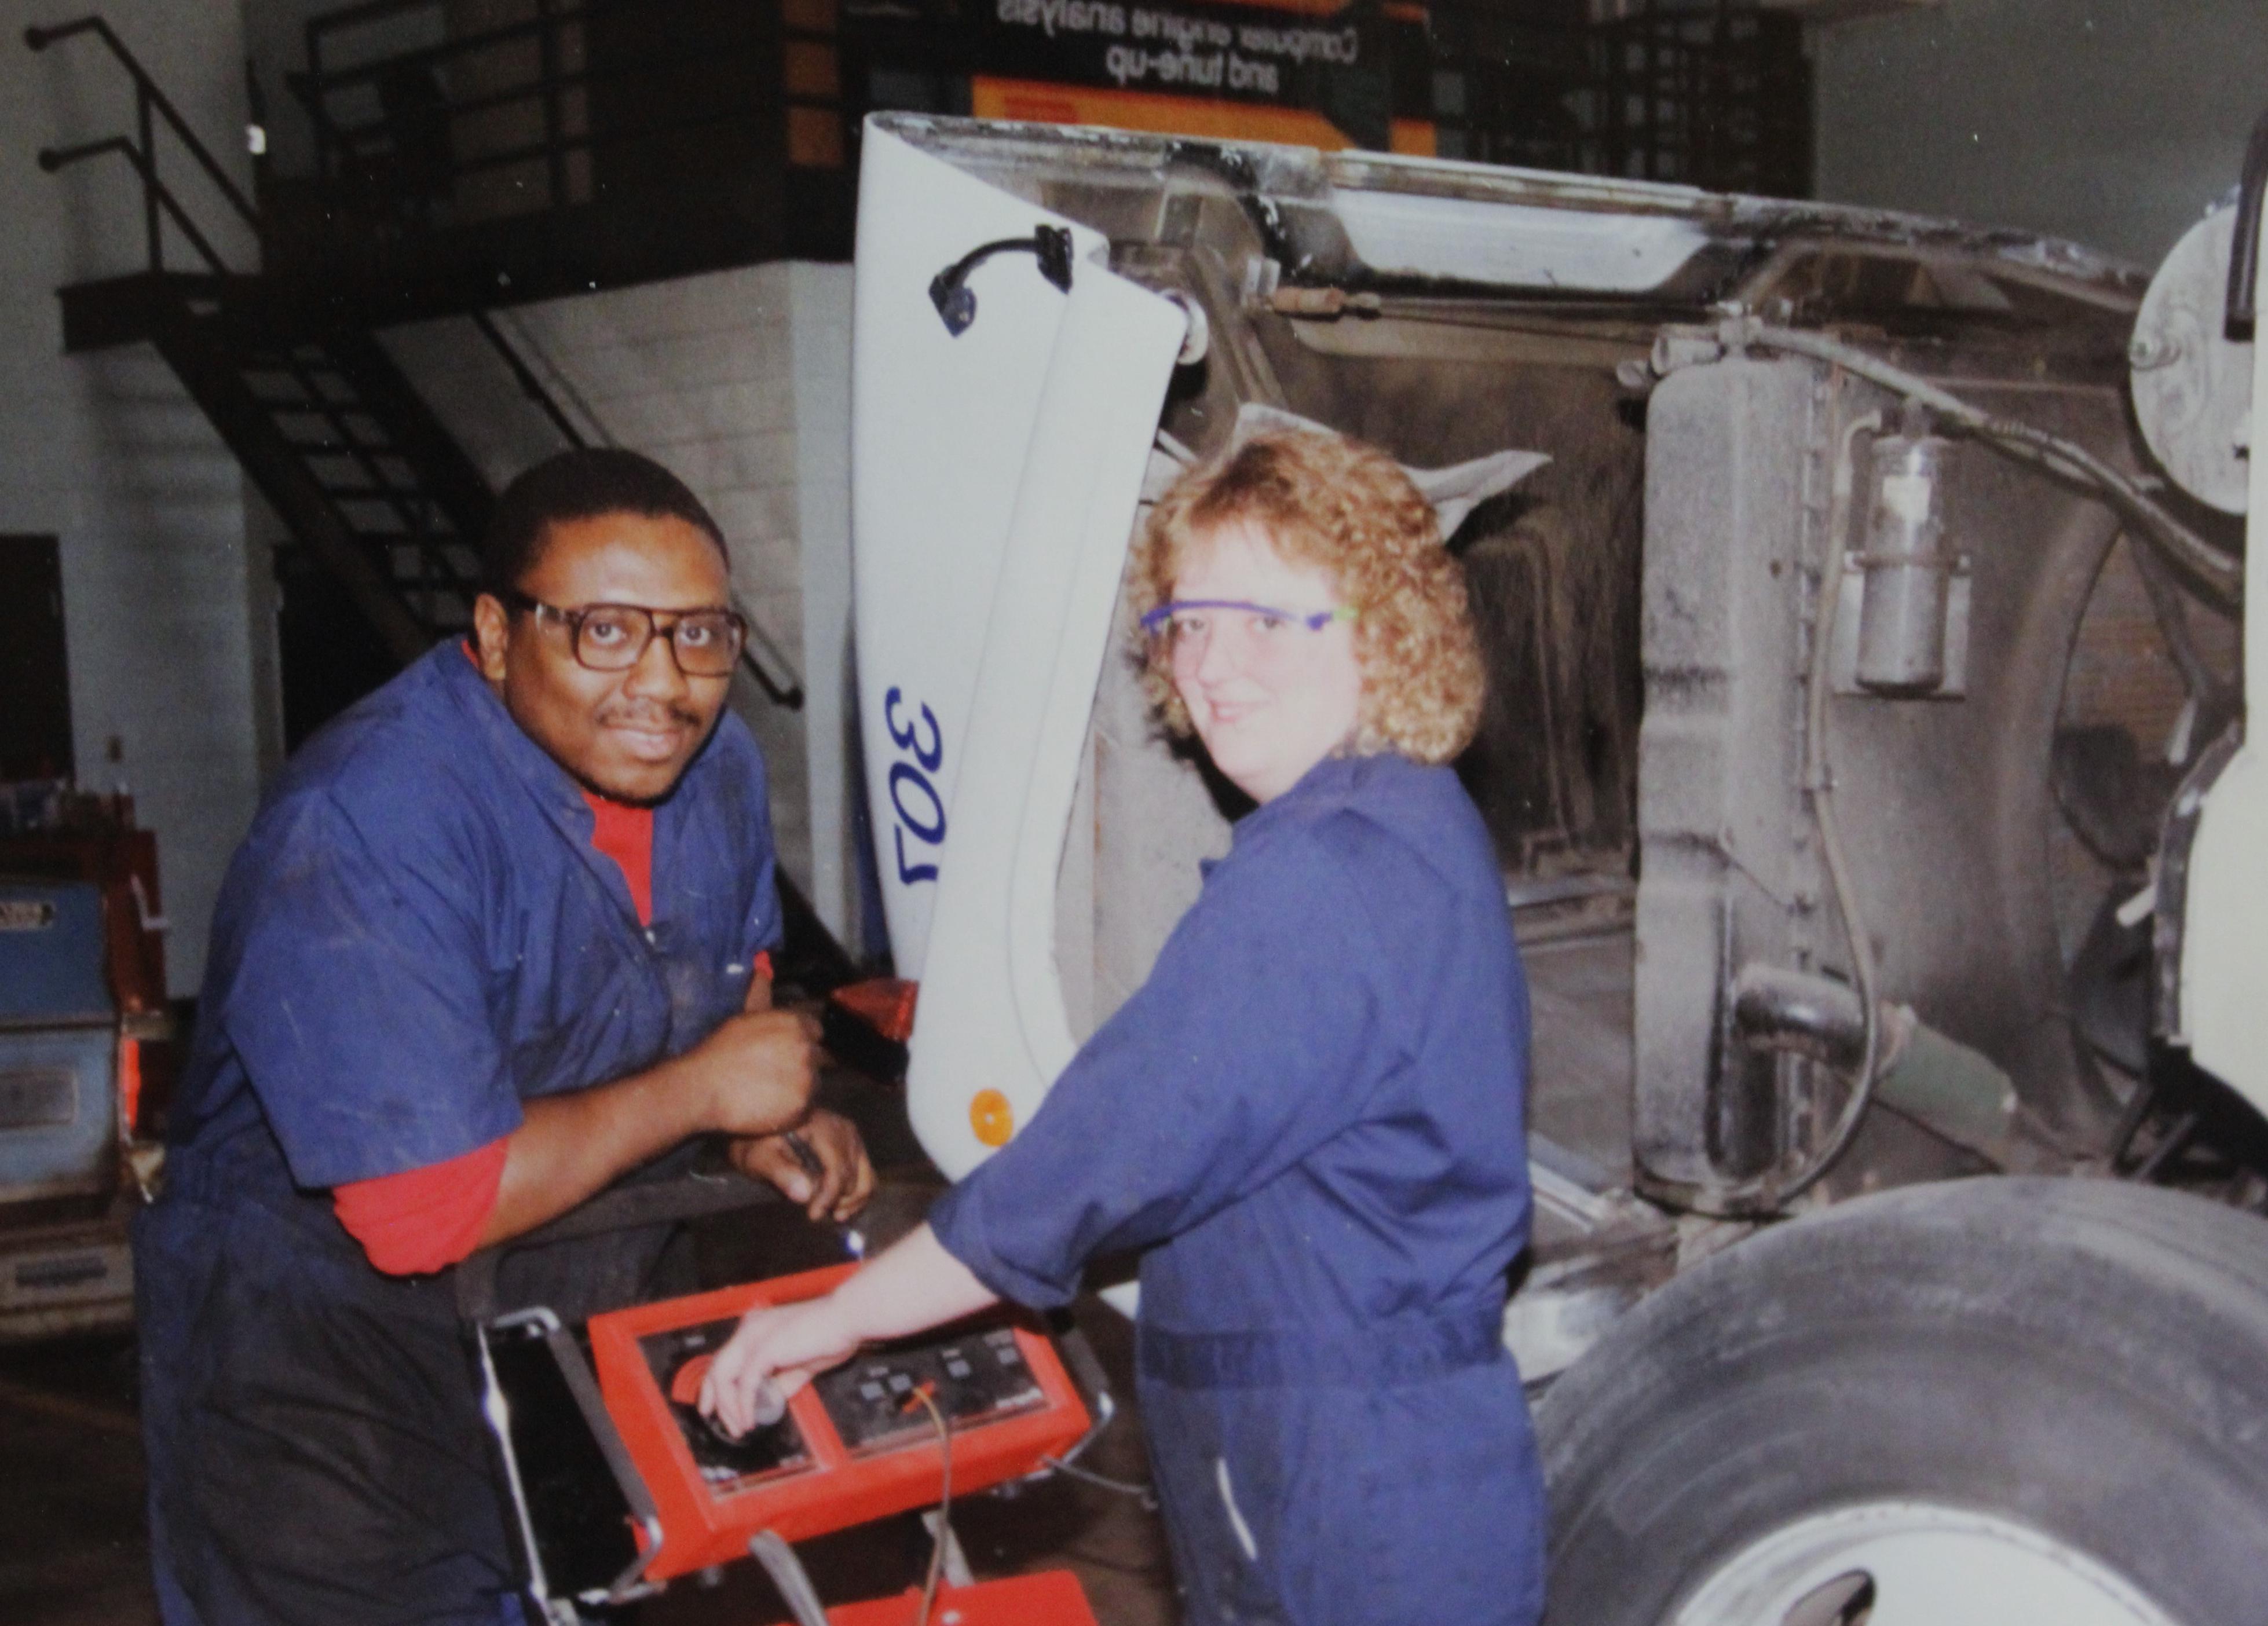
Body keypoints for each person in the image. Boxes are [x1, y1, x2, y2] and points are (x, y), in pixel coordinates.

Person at [702, 427, 1545, 1624]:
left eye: (1265, 619)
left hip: (1336, 1493)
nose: (1212, 664)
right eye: (1186, 622)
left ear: (1381, 625)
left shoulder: (1323, 876)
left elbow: (1091, 1164)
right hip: (1398, 1464)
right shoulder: (1410, 820)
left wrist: (830, 1320)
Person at [135, 448, 876, 1626]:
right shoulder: (367, 821)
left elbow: (719, 977)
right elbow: (424, 1205)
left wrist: (755, 1126)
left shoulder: (711, 763)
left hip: (578, 1339)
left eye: (698, 635)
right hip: (329, 1382)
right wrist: (699, 1095)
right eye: (603, 632)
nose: (662, 682)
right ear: (492, 634)